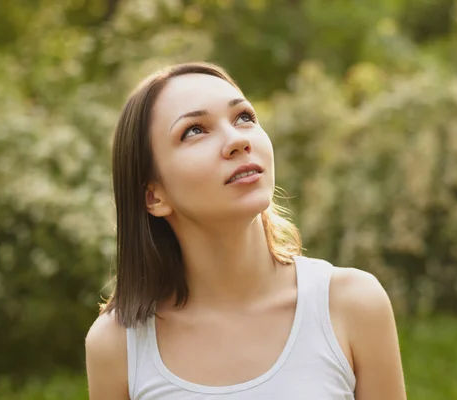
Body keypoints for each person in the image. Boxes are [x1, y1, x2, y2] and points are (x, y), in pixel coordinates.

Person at [85, 62, 407, 400]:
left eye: (244, 118)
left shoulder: (352, 304)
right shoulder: (117, 346)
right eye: (194, 130)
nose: (237, 140)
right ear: (154, 196)